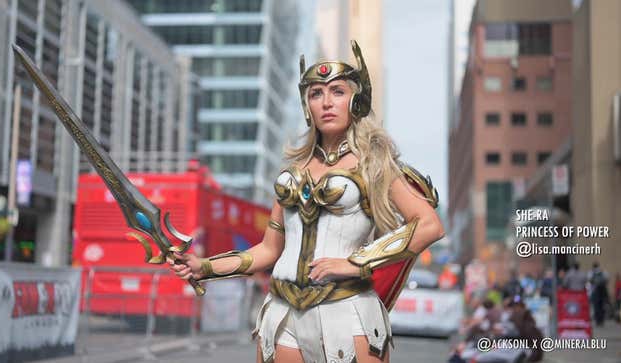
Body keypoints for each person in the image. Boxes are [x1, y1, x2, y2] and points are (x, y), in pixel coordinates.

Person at [168, 40, 445, 363]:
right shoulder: (293, 172)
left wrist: (356, 263)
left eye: (338, 92)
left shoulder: (374, 164)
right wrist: (204, 267)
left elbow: (429, 225)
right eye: (316, 94)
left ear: (356, 100)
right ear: (306, 106)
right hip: (283, 314)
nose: (327, 102)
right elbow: (269, 250)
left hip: (348, 313)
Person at [587, 261, 609, 326]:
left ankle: (597, 321)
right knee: (602, 306)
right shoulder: (603, 272)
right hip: (602, 291)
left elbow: (589, 280)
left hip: (595, 292)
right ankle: (601, 321)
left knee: (596, 307)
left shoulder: (591, 272)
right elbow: (607, 279)